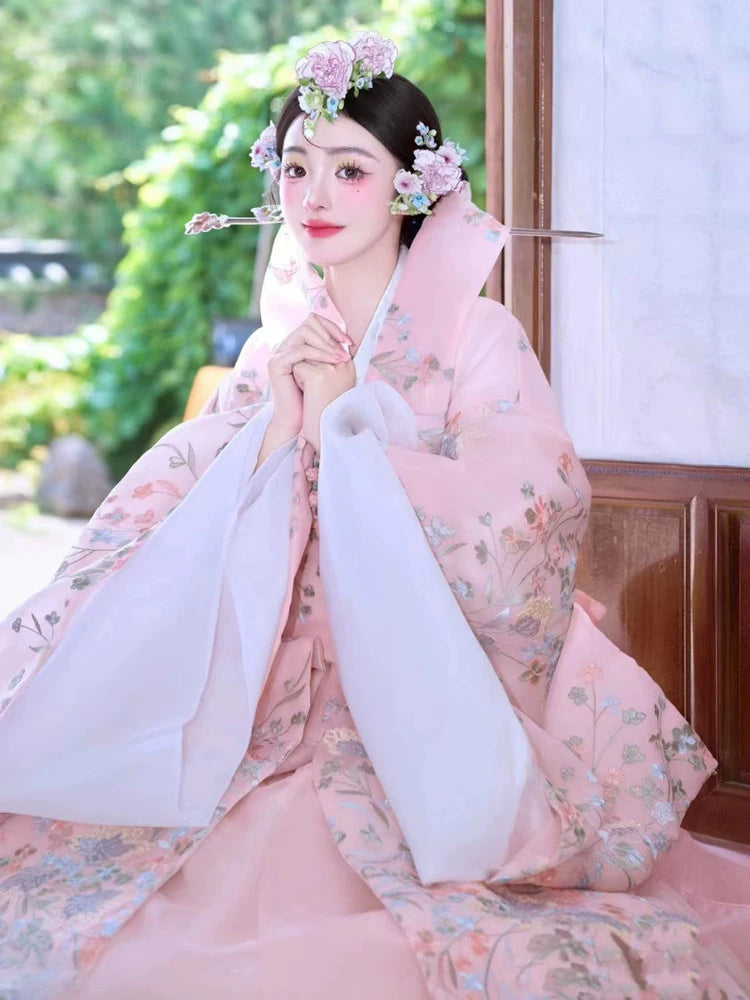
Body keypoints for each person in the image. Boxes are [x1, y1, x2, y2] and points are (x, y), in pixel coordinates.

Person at [0, 29, 749, 1000]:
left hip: (416, 701)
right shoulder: (280, 346)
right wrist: (274, 433)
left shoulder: (479, 335)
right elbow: (160, 507)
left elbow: (529, 508)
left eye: (351, 169)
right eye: (298, 166)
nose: (312, 196)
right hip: (274, 690)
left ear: (409, 188)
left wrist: (358, 422)